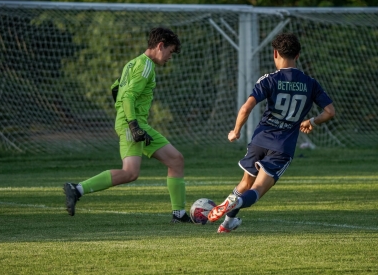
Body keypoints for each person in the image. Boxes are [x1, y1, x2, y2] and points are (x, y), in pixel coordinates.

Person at [207, 32, 335, 233]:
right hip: (282, 147)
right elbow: (330, 112)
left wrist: (236, 131)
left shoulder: (269, 79)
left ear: (275, 53)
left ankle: (227, 223)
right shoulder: (310, 83)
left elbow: (246, 108)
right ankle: (235, 204)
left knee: (245, 182)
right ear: (298, 55)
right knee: (256, 190)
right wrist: (311, 121)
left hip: (260, 139)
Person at [64, 27, 192, 223]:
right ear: (160, 46)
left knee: (176, 160)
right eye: (170, 52)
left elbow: (115, 88)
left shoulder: (133, 63)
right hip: (131, 124)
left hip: (137, 123)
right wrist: (132, 124)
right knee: (130, 173)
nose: (170, 57)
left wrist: (132, 119)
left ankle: (179, 214)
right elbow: (129, 95)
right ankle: (77, 189)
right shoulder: (146, 66)